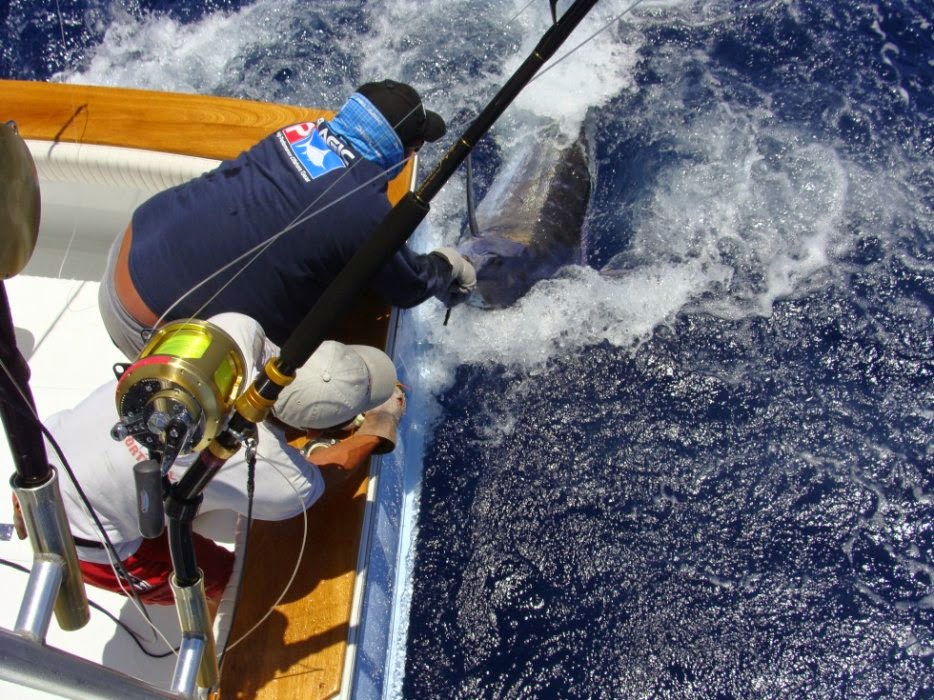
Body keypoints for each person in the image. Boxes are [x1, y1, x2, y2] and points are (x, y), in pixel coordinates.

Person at [13, 313, 406, 606]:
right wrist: (377, 428)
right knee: (226, 582)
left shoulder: (236, 329)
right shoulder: (283, 483)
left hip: (44, 457)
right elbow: (319, 480)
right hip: (83, 538)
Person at [99, 78, 477, 359]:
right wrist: (448, 265)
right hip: (154, 337)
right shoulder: (365, 212)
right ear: (399, 151)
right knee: (366, 374)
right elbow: (407, 287)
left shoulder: (295, 133)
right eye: (413, 149)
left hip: (125, 255)